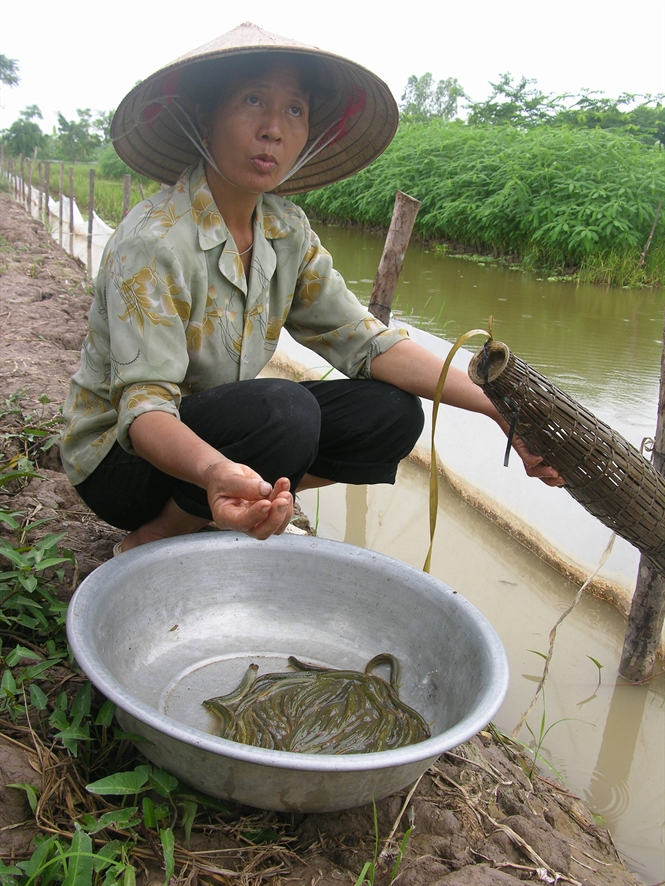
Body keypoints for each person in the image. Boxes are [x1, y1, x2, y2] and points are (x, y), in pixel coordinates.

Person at [61, 23, 562, 554]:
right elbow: (146, 413)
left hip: (216, 441)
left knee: (393, 414)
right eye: (252, 100)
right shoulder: (154, 241)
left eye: (294, 109)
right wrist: (217, 471)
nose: (273, 128)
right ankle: (161, 531)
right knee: (284, 413)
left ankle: (241, 499)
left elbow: (367, 342)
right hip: (121, 463)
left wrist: (501, 410)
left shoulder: (286, 230)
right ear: (204, 119)